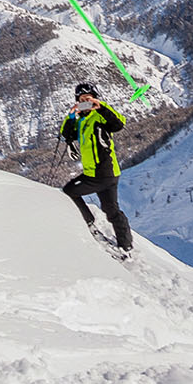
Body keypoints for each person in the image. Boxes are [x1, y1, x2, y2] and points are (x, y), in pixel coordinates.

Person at [59, 79, 133, 253]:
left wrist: (101, 107)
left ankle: (89, 224)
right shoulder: (81, 121)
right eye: (82, 99)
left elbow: (118, 124)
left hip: (101, 173)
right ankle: (126, 245)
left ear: (95, 99)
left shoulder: (99, 116)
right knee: (111, 209)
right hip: (105, 173)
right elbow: (66, 133)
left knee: (70, 191)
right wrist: (71, 115)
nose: (85, 102)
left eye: (89, 98)